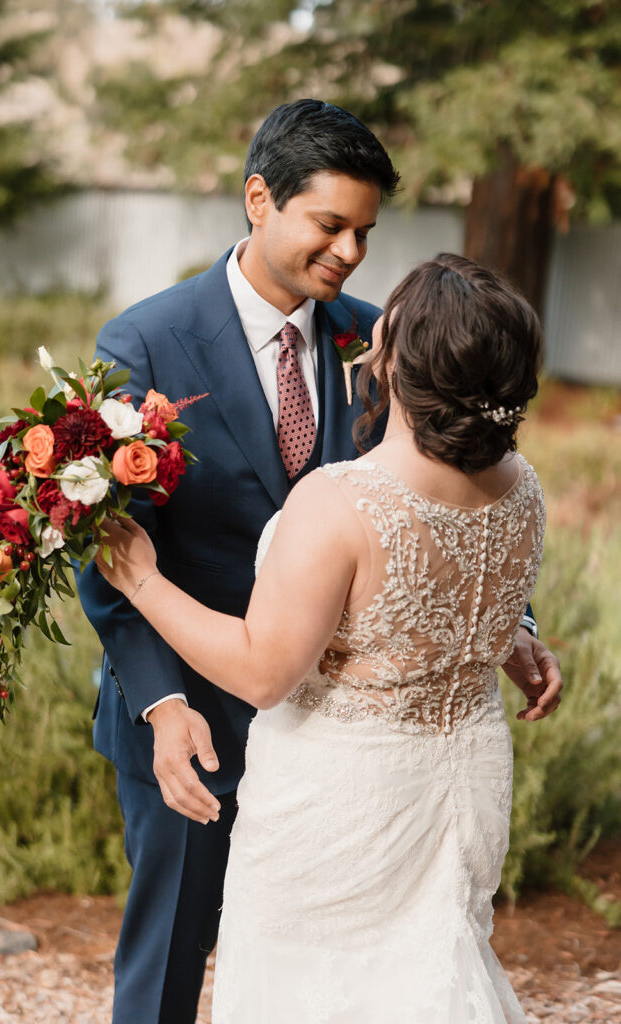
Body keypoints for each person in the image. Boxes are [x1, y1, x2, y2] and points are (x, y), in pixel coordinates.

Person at [77, 100, 562, 1023]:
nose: (349, 253)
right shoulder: (145, 341)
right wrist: (160, 701)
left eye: (366, 232)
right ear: (260, 199)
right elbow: (101, 540)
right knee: (167, 968)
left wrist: (507, 625)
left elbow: (444, 503)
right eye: (330, 225)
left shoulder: (389, 337)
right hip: (195, 717)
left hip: (354, 757)